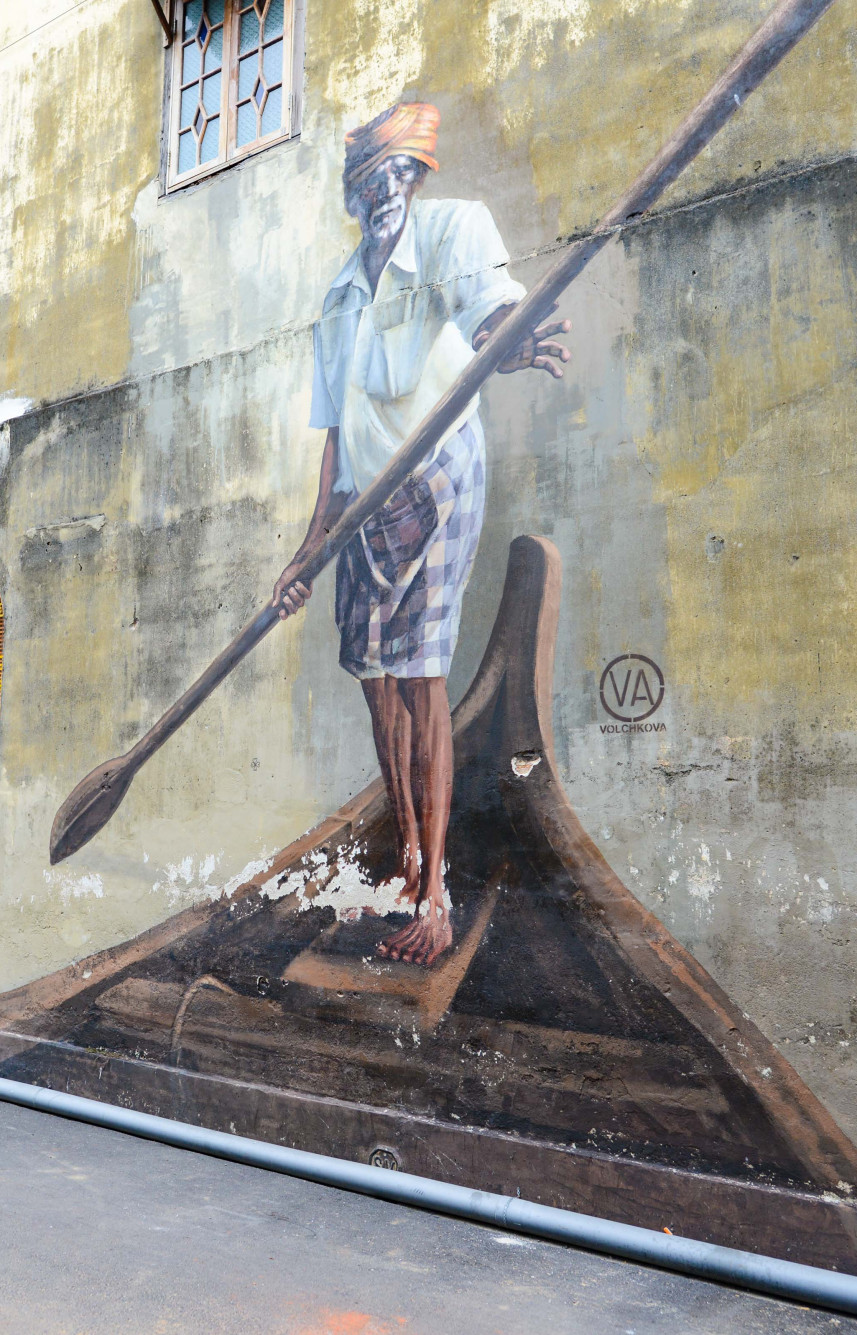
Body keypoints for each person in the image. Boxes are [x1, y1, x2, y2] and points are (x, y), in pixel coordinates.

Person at [272, 103, 571, 965]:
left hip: (440, 478)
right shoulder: (339, 297)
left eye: (401, 174)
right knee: (376, 682)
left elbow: (490, 317)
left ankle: (435, 894)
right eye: (372, 180)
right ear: (355, 195)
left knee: (418, 673)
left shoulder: (451, 232)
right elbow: (337, 436)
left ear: (418, 179)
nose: (387, 191)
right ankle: (406, 859)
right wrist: (309, 547)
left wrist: (504, 346)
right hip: (365, 503)